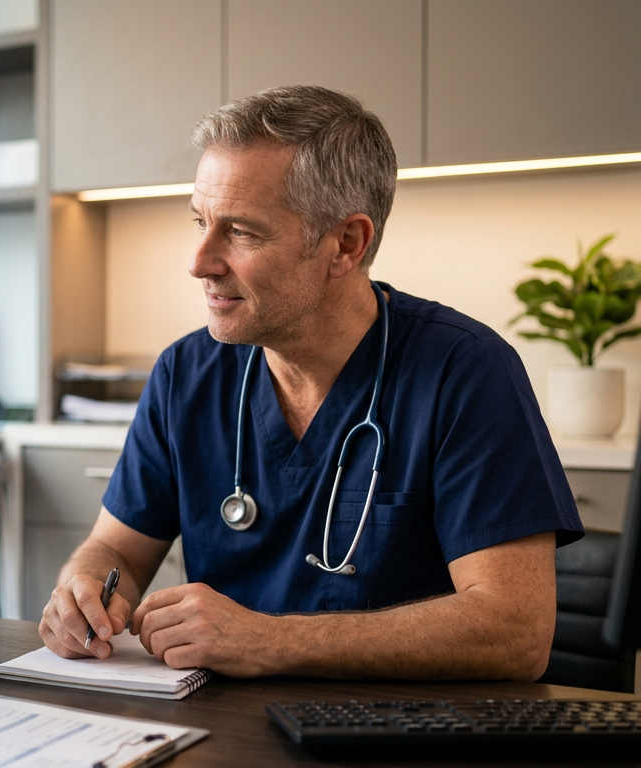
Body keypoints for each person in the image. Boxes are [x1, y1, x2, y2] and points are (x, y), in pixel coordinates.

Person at [40, 86, 583, 681]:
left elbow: (516, 632)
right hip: (224, 732)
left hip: (402, 734)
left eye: (241, 231)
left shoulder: (464, 372)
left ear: (346, 244)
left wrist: (270, 640)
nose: (199, 261)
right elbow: (116, 549)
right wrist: (83, 586)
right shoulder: (185, 376)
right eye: (200, 222)